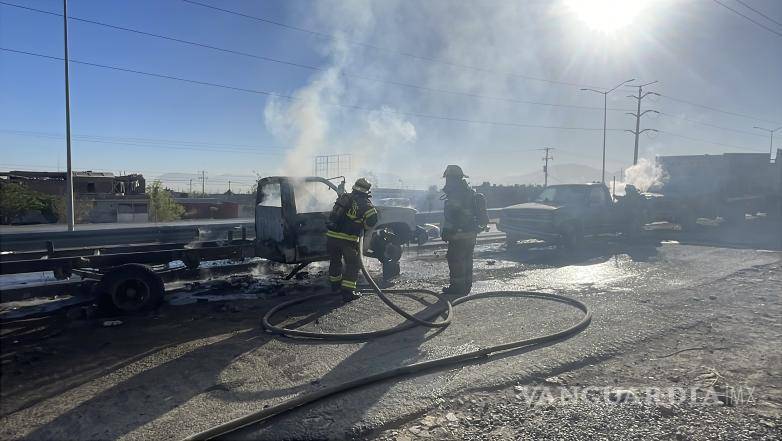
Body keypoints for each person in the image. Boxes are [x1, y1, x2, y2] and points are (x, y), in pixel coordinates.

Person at [326, 177, 379, 302]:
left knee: (335, 262)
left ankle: (335, 287)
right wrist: (364, 227)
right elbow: (373, 220)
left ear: (354, 187)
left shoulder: (343, 197)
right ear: (366, 191)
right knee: (353, 264)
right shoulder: (365, 203)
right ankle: (348, 293)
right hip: (347, 240)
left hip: (331, 237)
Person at [440, 165, 489, 295]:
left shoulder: (456, 194)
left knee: (455, 259)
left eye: (448, 178)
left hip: (458, 234)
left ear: (452, 178)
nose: (446, 181)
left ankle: (456, 287)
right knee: (467, 259)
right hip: (471, 233)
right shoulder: (468, 191)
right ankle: (466, 286)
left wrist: (446, 231)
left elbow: (453, 216)